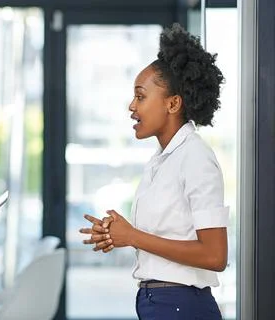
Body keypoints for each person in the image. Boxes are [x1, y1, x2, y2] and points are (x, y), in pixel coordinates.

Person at [79, 24, 228, 319]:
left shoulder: (195, 157)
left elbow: (215, 255)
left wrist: (132, 236)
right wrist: (116, 234)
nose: (131, 106)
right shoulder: (162, 160)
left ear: (173, 103)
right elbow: (164, 236)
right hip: (158, 302)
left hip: (181, 306)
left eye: (141, 96)